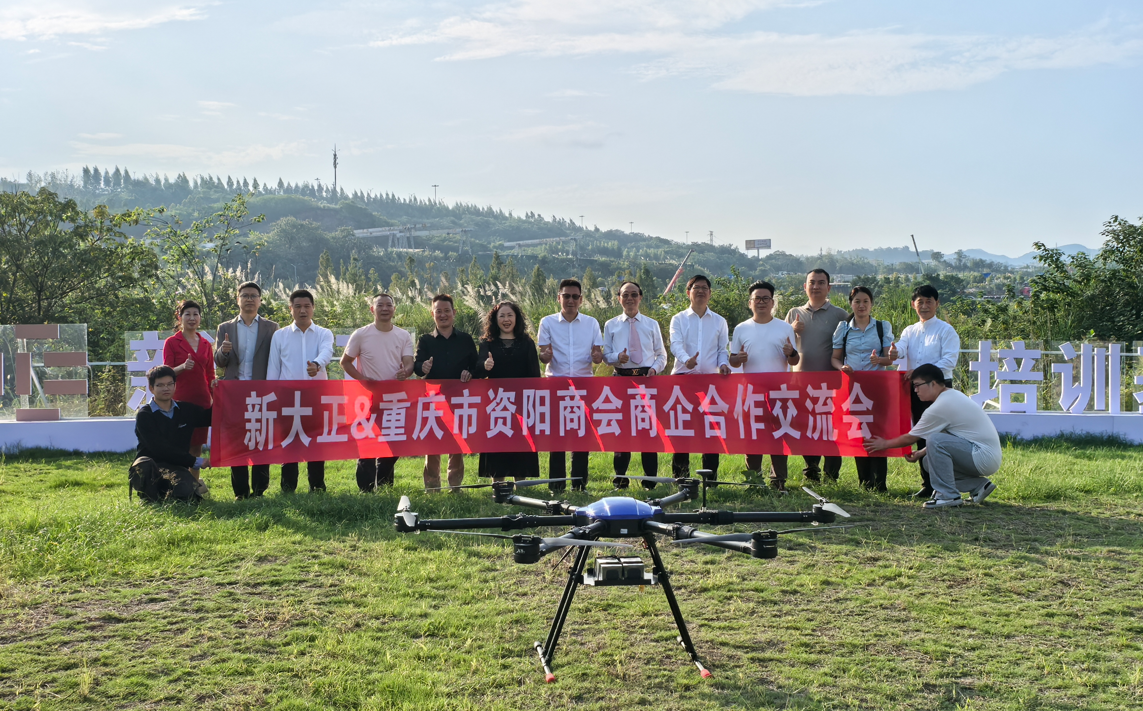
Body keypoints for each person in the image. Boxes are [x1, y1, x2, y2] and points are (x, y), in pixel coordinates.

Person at [864, 364, 999, 509]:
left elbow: (911, 437)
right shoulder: (951, 395)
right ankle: (979, 486)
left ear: (933, 384)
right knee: (928, 462)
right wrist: (921, 453)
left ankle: (947, 496)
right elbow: (949, 435)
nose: (915, 390)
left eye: (917, 385)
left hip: (981, 456)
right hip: (985, 456)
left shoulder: (941, 405)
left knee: (934, 439)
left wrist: (884, 444)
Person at [728, 280, 800, 492]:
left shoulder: (784, 328)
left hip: (779, 391)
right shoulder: (741, 328)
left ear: (772, 302)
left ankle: (779, 481)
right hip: (751, 391)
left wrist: (791, 353)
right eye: (757, 298)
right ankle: (754, 481)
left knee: (779, 435)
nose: (761, 302)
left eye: (765, 298)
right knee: (753, 436)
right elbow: (733, 361)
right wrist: (738, 358)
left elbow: (794, 360)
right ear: (750, 303)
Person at [341, 293, 414, 492]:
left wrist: (406, 372)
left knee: (393, 445)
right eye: (380, 305)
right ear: (372, 309)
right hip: (368, 398)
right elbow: (345, 362)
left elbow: (409, 362)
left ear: (394, 309)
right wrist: (362, 378)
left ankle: (383, 485)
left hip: (394, 398)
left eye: (389, 305)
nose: (385, 309)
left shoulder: (403, 335)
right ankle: (365, 490)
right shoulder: (361, 334)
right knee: (367, 445)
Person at [894, 284, 961, 499]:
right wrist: (893, 352)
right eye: (920, 302)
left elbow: (949, 361)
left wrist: (920, 372)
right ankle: (928, 484)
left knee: (940, 434)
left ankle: (945, 484)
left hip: (940, 390)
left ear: (937, 304)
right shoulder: (909, 330)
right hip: (918, 390)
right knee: (922, 434)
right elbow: (901, 348)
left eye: (928, 301)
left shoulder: (946, 330)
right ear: (913, 305)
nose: (924, 306)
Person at [537, 278, 604, 492]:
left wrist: (597, 357)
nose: (570, 300)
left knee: (581, 436)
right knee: (557, 438)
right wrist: (545, 356)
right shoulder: (547, 322)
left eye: (575, 297)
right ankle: (556, 485)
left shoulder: (591, 323)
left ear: (581, 299)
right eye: (566, 296)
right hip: (556, 385)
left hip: (584, 385)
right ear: (559, 298)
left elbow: (597, 354)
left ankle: (579, 484)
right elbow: (544, 355)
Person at [215, 281, 280, 500]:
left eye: (253, 295)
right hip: (234, 392)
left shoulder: (272, 328)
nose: (249, 299)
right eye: (245, 295)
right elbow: (219, 362)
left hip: (262, 391)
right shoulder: (225, 328)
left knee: (261, 440)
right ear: (238, 300)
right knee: (237, 441)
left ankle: (260, 490)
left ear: (260, 300)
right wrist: (223, 352)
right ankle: (240, 492)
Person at [784, 268, 849, 484]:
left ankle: (831, 475)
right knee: (808, 427)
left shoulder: (839, 315)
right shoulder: (794, 313)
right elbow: (784, 344)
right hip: (801, 382)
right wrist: (792, 330)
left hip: (831, 383)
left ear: (828, 287)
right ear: (805, 286)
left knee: (831, 429)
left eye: (821, 283)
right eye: (812, 282)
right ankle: (811, 470)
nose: (816, 286)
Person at [267, 289, 334, 493]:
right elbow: (273, 369)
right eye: (298, 306)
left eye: (307, 306)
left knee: (316, 443)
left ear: (313, 308)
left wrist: (317, 364)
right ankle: (288, 488)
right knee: (289, 443)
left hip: (316, 397)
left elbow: (327, 351)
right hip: (288, 398)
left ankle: (317, 486)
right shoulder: (280, 336)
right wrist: (272, 399)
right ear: (291, 309)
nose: (302, 311)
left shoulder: (324, 333)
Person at [602, 281, 668, 490]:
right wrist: (617, 357)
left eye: (633, 294)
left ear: (640, 297)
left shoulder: (651, 324)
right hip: (621, 381)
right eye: (625, 295)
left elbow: (662, 355)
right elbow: (605, 355)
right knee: (622, 432)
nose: (629, 298)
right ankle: (620, 480)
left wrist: (655, 369)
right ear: (619, 299)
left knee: (648, 430)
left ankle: (650, 481)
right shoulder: (611, 324)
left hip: (646, 380)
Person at [831, 286, 895, 491]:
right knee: (859, 432)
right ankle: (865, 482)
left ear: (871, 304)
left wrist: (879, 360)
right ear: (851, 304)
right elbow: (835, 358)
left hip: (878, 387)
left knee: (877, 431)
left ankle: (880, 482)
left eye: (865, 301)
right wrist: (842, 367)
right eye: (857, 301)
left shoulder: (882, 327)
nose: (861, 305)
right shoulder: (843, 328)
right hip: (854, 388)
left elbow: (889, 359)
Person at [669, 275, 731, 481]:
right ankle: (681, 477)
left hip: (710, 383)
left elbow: (722, 350)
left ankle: (710, 479)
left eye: (705, 288)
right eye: (697, 288)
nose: (701, 291)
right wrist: (686, 360)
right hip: (683, 380)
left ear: (710, 293)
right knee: (682, 429)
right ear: (688, 292)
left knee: (711, 430)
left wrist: (724, 364)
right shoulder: (678, 319)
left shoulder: (719, 321)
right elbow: (675, 344)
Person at [413, 294, 478, 492]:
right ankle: (432, 487)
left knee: (456, 442)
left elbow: (476, 366)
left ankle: (455, 485)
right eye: (438, 311)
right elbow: (417, 367)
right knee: (433, 441)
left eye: (446, 311)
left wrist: (470, 372)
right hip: (433, 399)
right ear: (432, 314)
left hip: (459, 398)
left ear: (454, 313)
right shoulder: (425, 340)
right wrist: (423, 367)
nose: (443, 315)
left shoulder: (466, 339)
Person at [474, 301, 541, 482]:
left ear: (516, 318)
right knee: (497, 444)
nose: (506, 319)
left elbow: (534, 374)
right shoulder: (487, 343)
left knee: (521, 444)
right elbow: (478, 371)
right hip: (496, 404)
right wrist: (485, 365)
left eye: (510, 315)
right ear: (495, 320)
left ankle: (521, 486)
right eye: (502, 316)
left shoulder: (527, 342)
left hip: (521, 403)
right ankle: (498, 486)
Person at [132, 365, 213, 501]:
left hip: (177, 468)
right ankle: (150, 496)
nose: (166, 388)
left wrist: (217, 393)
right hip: (151, 467)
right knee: (146, 472)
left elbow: (211, 417)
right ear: (151, 388)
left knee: (186, 493)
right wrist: (195, 461)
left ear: (175, 386)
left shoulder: (186, 410)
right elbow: (160, 448)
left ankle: (190, 489)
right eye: (160, 385)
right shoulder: (145, 415)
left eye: (170, 384)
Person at [162, 299, 214, 495]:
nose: (192, 318)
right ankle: (177, 486)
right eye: (187, 314)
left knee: (196, 448)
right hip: (179, 401)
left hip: (202, 402)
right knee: (179, 446)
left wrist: (213, 394)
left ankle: (193, 487)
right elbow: (166, 373)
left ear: (200, 318)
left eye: (195, 314)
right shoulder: (171, 342)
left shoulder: (206, 344)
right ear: (180, 317)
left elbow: (210, 374)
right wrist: (182, 367)